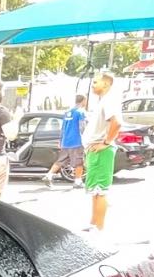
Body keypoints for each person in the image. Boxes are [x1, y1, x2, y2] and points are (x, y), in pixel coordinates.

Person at [82, 70, 120, 232]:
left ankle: (99, 227)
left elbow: (116, 123)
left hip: (101, 151)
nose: (93, 85)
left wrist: (106, 142)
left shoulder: (108, 101)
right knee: (95, 191)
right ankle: (94, 223)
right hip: (95, 150)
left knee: (100, 190)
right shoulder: (103, 101)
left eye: (95, 82)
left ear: (106, 83)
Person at [48, 90, 86, 188]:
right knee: (79, 162)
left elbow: (63, 128)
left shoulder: (67, 112)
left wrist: (60, 140)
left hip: (66, 141)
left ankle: (49, 176)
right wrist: (86, 139)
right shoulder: (80, 112)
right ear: (83, 100)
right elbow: (82, 127)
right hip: (76, 141)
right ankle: (78, 182)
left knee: (61, 160)